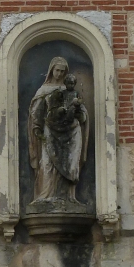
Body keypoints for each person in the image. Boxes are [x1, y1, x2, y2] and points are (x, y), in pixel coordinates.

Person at [27, 58, 89, 204]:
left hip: (71, 133)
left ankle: (67, 197)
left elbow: (83, 115)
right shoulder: (43, 91)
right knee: (47, 164)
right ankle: (45, 196)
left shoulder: (71, 91)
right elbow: (36, 113)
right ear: (51, 70)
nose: (59, 74)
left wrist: (78, 110)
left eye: (62, 71)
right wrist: (36, 127)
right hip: (50, 131)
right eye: (57, 70)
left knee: (70, 163)